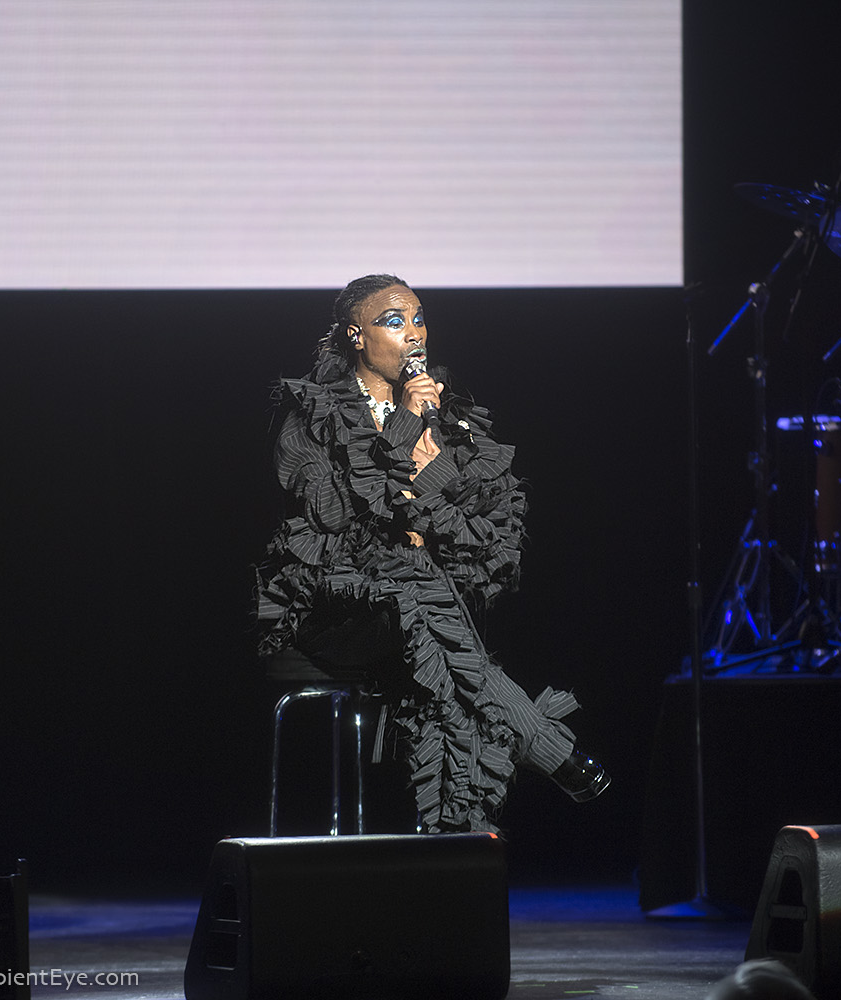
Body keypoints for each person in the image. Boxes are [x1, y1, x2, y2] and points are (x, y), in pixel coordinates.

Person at [254, 274, 608, 833]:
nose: (413, 333)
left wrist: (428, 467)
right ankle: (541, 747)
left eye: (418, 318)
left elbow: (484, 529)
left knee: (432, 647)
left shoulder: (449, 413)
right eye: (393, 322)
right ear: (355, 335)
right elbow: (333, 512)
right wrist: (402, 433)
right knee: (416, 593)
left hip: (421, 608)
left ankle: (453, 840)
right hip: (336, 608)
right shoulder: (311, 413)